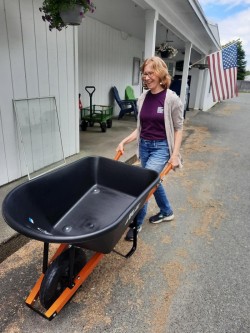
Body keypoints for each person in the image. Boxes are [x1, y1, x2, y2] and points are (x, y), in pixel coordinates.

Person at [116, 56, 184, 241]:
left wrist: (175, 154)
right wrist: (125, 141)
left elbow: (178, 128)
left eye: (150, 73)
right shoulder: (143, 98)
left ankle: (136, 225)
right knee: (153, 181)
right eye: (144, 74)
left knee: (144, 185)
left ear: (160, 74)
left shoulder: (171, 99)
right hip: (144, 147)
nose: (146, 77)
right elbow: (140, 127)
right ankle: (166, 211)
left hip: (161, 148)